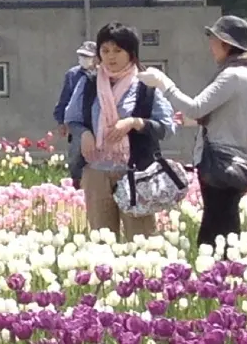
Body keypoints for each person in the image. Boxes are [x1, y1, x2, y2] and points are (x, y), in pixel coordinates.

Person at [142, 16, 247, 251]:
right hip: (239, 162)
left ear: (226, 43)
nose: (210, 46)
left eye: (213, 40)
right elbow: (229, 117)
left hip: (220, 162)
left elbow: (195, 107)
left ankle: (219, 283)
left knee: (214, 234)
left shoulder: (231, 76)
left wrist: (163, 83)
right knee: (225, 228)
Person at [66, 22, 176, 241]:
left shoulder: (146, 85)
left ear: (131, 53)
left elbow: (166, 126)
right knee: (101, 240)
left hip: (136, 172)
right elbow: (72, 119)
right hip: (96, 170)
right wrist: (84, 133)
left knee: (141, 238)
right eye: (105, 51)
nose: (111, 57)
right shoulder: (89, 83)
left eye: (118, 51)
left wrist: (134, 123)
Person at [51, 42, 98, 184]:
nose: (83, 59)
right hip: (77, 123)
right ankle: (76, 187)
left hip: (97, 123)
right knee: (76, 158)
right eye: (81, 56)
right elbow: (65, 98)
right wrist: (61, 121)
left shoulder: (102, 74)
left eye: (87, 56)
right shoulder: (73, 74)